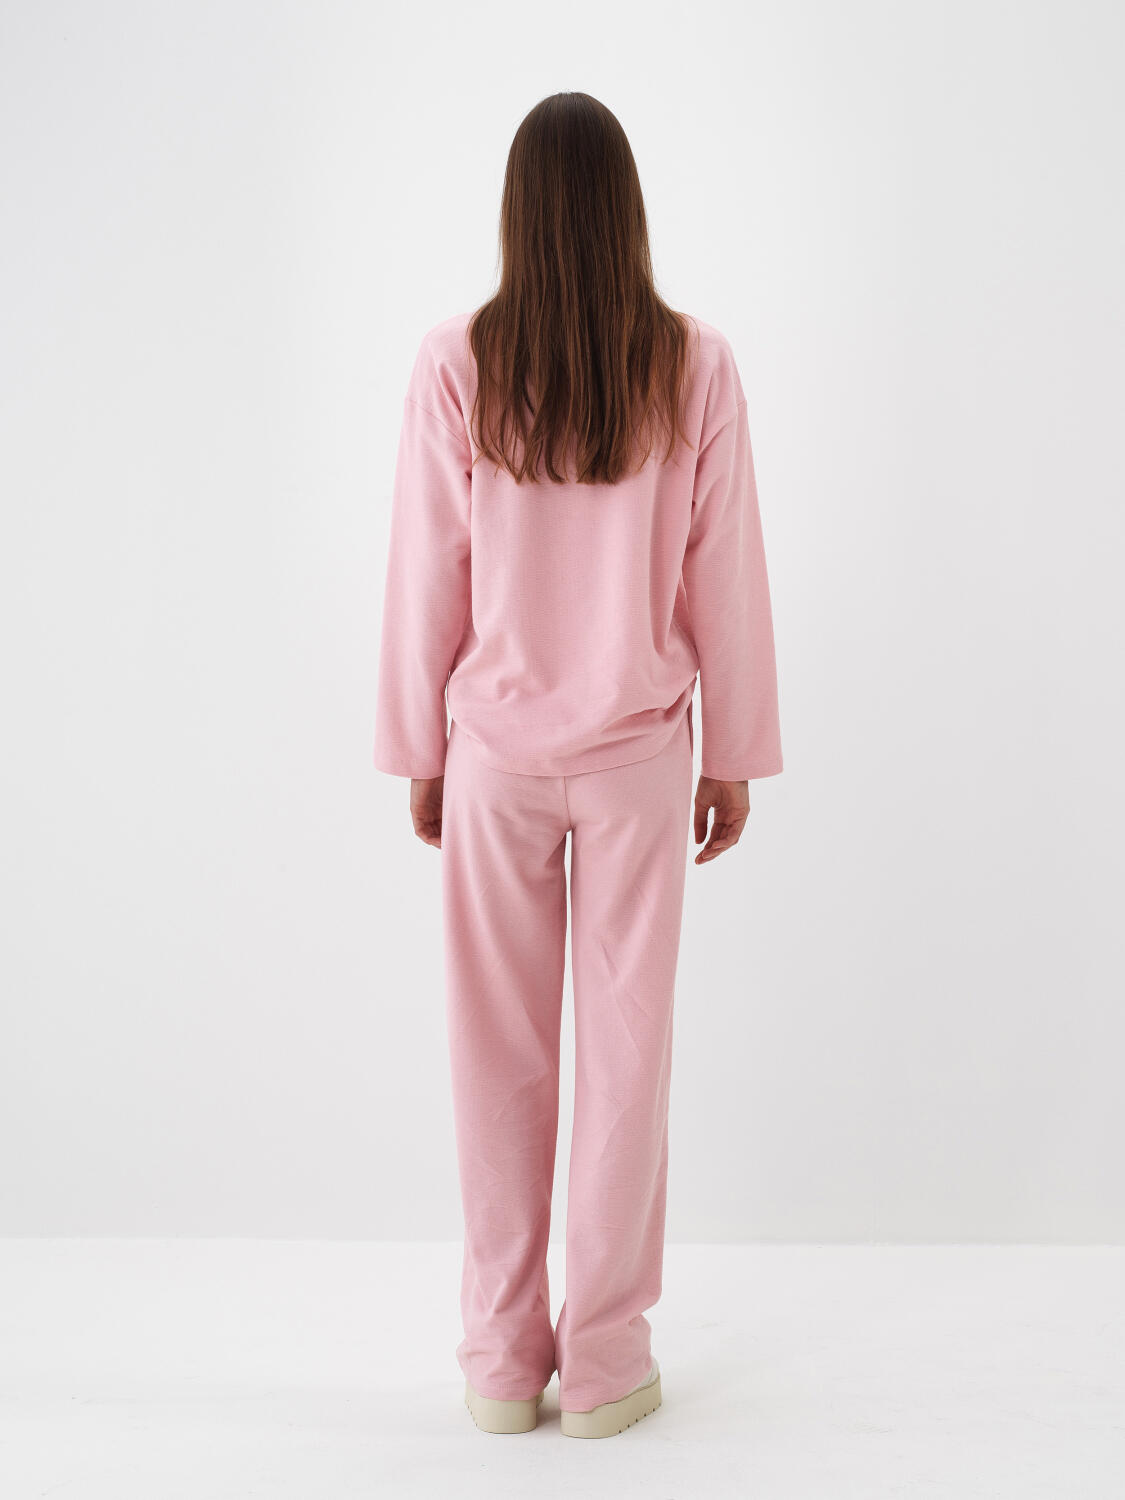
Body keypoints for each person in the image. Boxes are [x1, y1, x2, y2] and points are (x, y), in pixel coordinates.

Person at [373, 91, 782, 1439]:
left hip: (492, 756)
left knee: (494, 1059)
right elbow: (725, 567)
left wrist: (418, 747)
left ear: (518, 213)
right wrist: (734, 751)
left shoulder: (458, 359)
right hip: (639, 761)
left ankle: (501, 1362)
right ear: (625, 212)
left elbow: (426, 566)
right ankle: (605, 1361)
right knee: (625, 1057)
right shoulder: (694, 362)